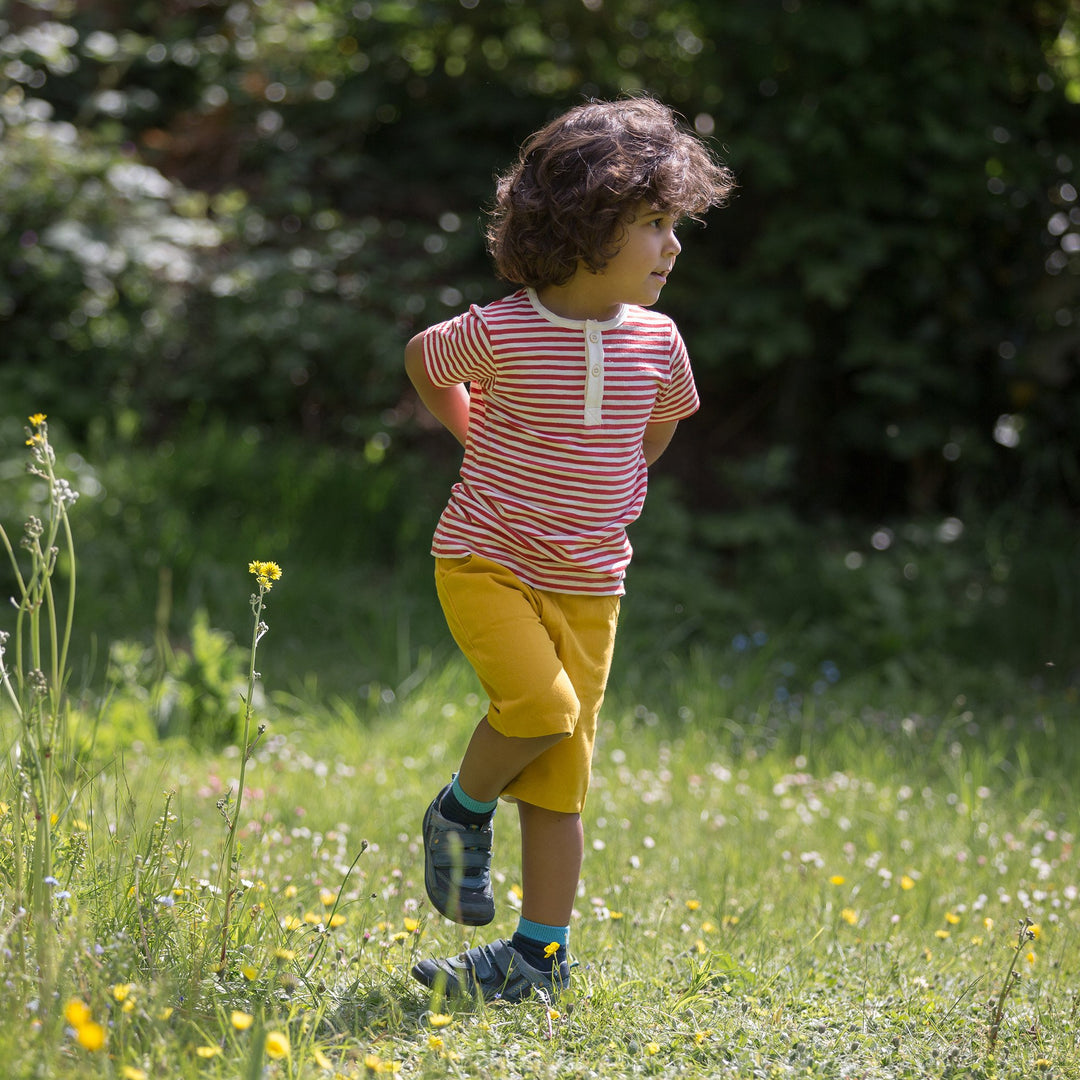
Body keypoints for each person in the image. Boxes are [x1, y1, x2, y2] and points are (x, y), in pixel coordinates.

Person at [404, 95, 735, 1003]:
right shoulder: (504, 330)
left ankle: (535, 959)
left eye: (676, 225)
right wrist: (473, 432)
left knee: (561, 778)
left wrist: (613, 480)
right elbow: (428, 360)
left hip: (592, 583)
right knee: (540, 709)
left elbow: (657, 426)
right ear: (586, 226)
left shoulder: (659, 342)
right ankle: (459, 812)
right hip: (488, 559)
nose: (673, 246)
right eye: (655, 224)